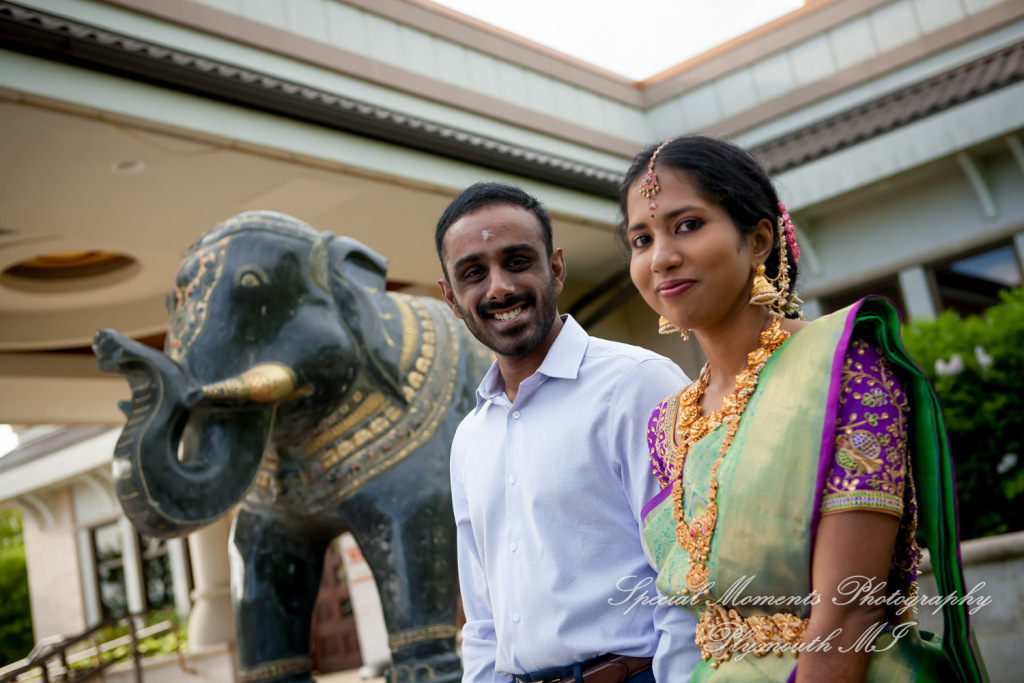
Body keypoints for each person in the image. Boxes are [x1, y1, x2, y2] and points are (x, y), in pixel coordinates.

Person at [620, 136, 989, 683]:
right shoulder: (669, 422)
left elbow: (849, 610)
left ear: (760, 238)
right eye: (641, 238)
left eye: (688, 224)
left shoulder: (844, 371)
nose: (661, 257)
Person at [435, 182, 701, 683]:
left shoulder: (637, 383)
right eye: (474, 273)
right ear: (450, 296)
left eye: (517, 261)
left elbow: (689, 575)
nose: (498, 289)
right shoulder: (470, 437)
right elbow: (483, 619)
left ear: (555, 267)